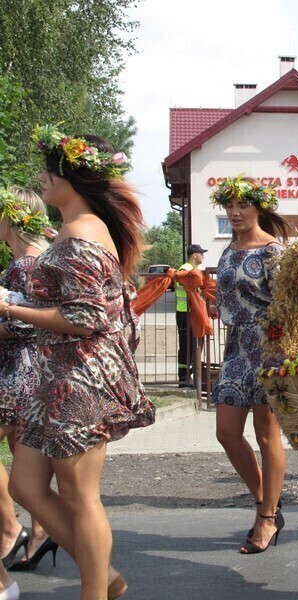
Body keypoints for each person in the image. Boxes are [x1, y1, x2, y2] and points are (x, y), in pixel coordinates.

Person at [4, 124, 155, 599]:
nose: (41, 178)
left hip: (80, 377)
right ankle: (105, 577)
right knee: (25, 485)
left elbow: (84, 319)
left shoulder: (81, 232)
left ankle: (96, 591)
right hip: (54, 376)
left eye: (48, 170)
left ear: (70, 178)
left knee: (80, 495)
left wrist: (8, 308)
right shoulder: (74, 230)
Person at [209, 175, 290, 555]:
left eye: (242, 205)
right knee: (226, 432)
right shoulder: (228, 249)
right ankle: (263, 499)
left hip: (269, 346)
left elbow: (290, 304)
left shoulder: (273, 251)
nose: (235, 212)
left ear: (259, 207)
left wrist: (282, 350)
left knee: (266, 435)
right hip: (236, 347)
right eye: (229, 206)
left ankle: (268, 517)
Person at [0, 186, 55, 575]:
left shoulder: (25, 265)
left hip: (18, 370)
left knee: (25, 459)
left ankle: (9, 528)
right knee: (24, 458)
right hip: (32, 370)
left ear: (12, 219)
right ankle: (39, 532)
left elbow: (24, 324)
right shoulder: (31, 261)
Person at [175, 243, 207, 387]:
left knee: (194, 345)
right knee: (186, 346)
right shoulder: (185, 269)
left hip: (191, 312)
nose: (203, 256)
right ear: (195, 255)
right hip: (184, 312)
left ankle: (190, 375)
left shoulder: (194, 270)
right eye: (201, 254)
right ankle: (184, 378)